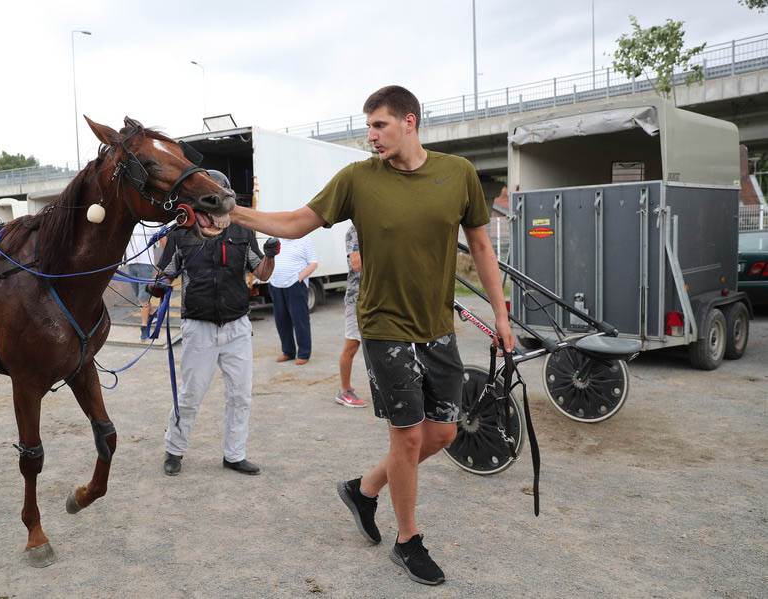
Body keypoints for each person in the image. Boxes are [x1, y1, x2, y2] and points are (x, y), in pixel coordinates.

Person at [229, 86, 514, 586]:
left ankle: (363, 489)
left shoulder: (458, 174)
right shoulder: (358, 179)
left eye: (379, 125)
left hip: (437, 328)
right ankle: (408, 541)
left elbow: (483, 248)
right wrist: (233, 213)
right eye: (368, 127)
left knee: (444, 433)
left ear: (410, 121)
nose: (371, 136)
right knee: (406, 438)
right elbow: (297, 222)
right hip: (383, 328)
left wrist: (502, 315)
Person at [152, 170, 278, 477]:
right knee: (191, 393)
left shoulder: (241, 232)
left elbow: (261, 273)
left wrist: (272, 256)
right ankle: (175, 450)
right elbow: (166, 272)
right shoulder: (182, 232)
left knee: (240, 394)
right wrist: (161, 284)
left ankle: (234, 455)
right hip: (198, 326)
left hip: (237, 325)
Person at [267, 235, 317, 365]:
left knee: (300, 320)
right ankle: (288, 352)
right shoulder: (276, 240)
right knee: (281, 321)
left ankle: (304, 353)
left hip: (295, 285)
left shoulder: (304, 240)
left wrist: (299, 277)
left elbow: (313, 263)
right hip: (275, 284)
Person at [335, 224, 366, 408]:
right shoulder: (355, 230)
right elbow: (356, 264)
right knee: (352, 346)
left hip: (380, 297)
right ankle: (345, 391)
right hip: (358, 298)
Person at [124, 223, 164, 340]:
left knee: (143, 298)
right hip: (131, 265)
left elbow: (162, 239)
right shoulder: (130, 223)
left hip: (146, 265)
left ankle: (144, 328)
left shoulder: (151, 223)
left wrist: (165, 264)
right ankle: (153, 313)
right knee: (139, 297)